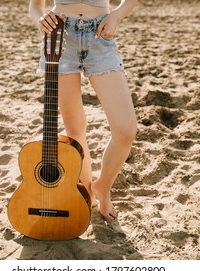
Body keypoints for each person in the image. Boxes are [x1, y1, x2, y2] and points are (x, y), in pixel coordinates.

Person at [29, 0, 138, 221]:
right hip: (60, 37)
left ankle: (103, 187)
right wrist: (40, 18)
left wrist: (116, 15)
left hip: (100, 36)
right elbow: (36, 5)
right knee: (75, 130)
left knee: (126, 130)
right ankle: (87, 191)